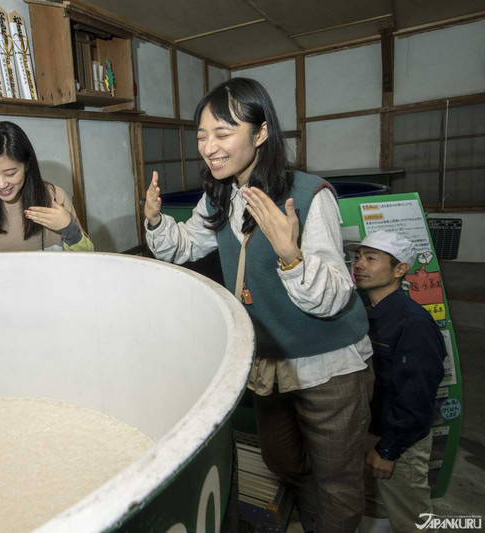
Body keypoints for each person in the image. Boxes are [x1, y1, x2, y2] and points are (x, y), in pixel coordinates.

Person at [144, 78, 373, 532]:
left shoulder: (310, 195)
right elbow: (187, 245)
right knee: (282, 460)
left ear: (262, 133)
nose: (210, 147)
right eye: (202, 136)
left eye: (223, 133)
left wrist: (291, 256)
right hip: (269, 361)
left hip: (329, 366)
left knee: (339, 483)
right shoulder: (221, 193)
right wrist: (155, 220)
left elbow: (333, 296)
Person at [347, 231, 445, 533]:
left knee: (412, 518)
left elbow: (416, 396)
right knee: (375, 507)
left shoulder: (412, 323)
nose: (359, 265)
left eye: (371, 258)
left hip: (400, 442)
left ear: (400, 269)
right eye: (358, 257)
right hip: (371, 432)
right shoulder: (368, 313)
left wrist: (389, 450)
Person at [0, 121, 93, 253]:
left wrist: (68, 228)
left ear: (27, 163)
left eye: (10, 173)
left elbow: (88, 256)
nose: (1, 184)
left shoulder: (54, 197)